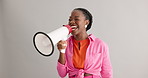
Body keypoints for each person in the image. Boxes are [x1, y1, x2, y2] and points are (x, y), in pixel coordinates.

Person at [57, 8, 113, 78]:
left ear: (86, 22)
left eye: (76, 19)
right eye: (70, 19)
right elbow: (62, 74)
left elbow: (107, 72)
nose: (71, 22)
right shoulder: (66, 44)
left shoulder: (100, 45)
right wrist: (62, 51)